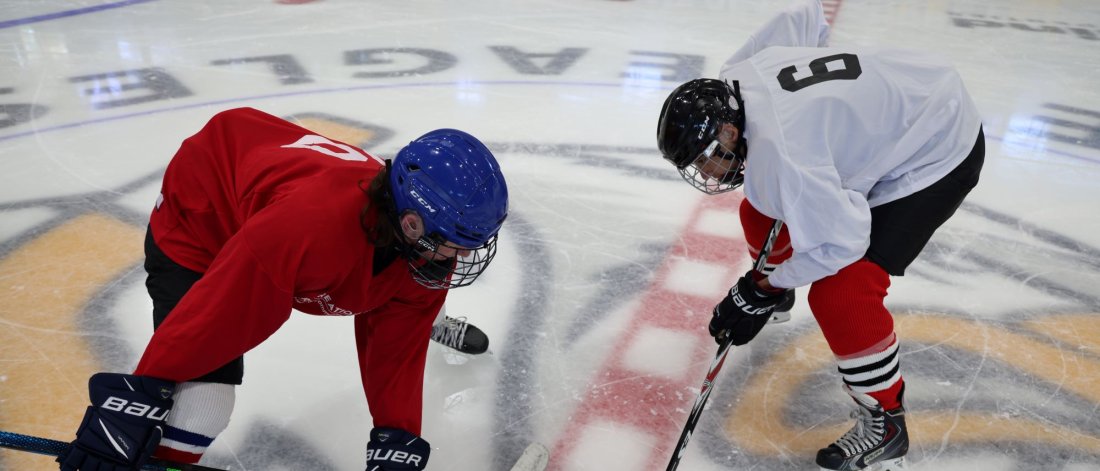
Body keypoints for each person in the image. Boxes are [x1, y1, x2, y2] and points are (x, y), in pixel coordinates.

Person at [57, 107, 509, 471]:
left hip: (283, 206)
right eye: (455, 243)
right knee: (205, 404)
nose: (463, 258)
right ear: (412, 222)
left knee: (402, 292)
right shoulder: (308, 231)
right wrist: (133, 403)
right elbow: (218, 316)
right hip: (206, 213)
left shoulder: (421, 241)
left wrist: (398, 435)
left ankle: (431, 318)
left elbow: (394, 349)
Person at [655, 1, 984, 470]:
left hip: (938, 148)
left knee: (841, 291)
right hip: (918, 87)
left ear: (729, 130)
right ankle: (779, 300)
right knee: (759, 210)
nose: (706, 171)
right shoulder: (738, 76)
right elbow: (805, 17)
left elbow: (841, 243)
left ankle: (886, 423)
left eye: (706, 157)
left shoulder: (784, 156)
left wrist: (762, 288)